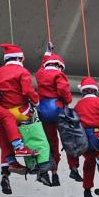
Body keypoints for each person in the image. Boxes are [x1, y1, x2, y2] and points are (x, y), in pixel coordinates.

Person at [0, 43, 42, 192]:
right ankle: (40, 166)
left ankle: (5, 175)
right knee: (35, 130)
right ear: (20, 58)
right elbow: (27, 91)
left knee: (5, 145)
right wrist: (37, 101)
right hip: (19, 113)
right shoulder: (22, 71)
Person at [35, 43, 82, 187]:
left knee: (51, 143)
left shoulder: (40, 74)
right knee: (69, 139)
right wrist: (67, 100)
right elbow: (63, 91)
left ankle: (53, 172)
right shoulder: (58, 74)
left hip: (43, 111)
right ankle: (73, 168)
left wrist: (48, 52)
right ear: (59, 66)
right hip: (58, 110)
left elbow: (43, 65)